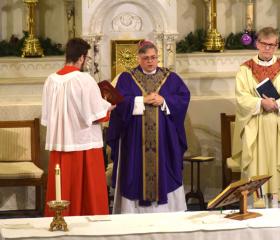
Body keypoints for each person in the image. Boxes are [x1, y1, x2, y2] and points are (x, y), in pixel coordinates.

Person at [107, 40, 190, 213]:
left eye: (153, 57)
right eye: (146, 58)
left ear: (158, 57)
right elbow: (119, 104)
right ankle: (133, 213)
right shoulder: (127, 78)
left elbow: (183, 98)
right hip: (135, 141)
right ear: (138, 58)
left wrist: (164, 100)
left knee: (165, 170)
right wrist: (141, 100)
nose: (150, 62)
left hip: (164, 140)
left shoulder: (171, 78)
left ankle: (167, 213)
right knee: (134, 173)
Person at [228, 27, 280, 208]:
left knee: (279, 167)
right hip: (255, 127)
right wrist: (261, 103)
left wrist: (276, 104)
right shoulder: (245, 69)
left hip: (279, 126)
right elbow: (241, 97)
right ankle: (254, 208)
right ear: (257, 44)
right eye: (264, 44)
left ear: (277, 46)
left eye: (272, 45)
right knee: (255, 167)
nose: (268, 48)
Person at [41, 38, 114, 216]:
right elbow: (96, 114)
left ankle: (60, 219)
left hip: (60, 144)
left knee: (62, 186)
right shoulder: (84, 80)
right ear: (82, 57)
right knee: (89, 191)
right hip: (84, 144)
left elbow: (48, 116)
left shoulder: (50, 80)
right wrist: (109, 106)